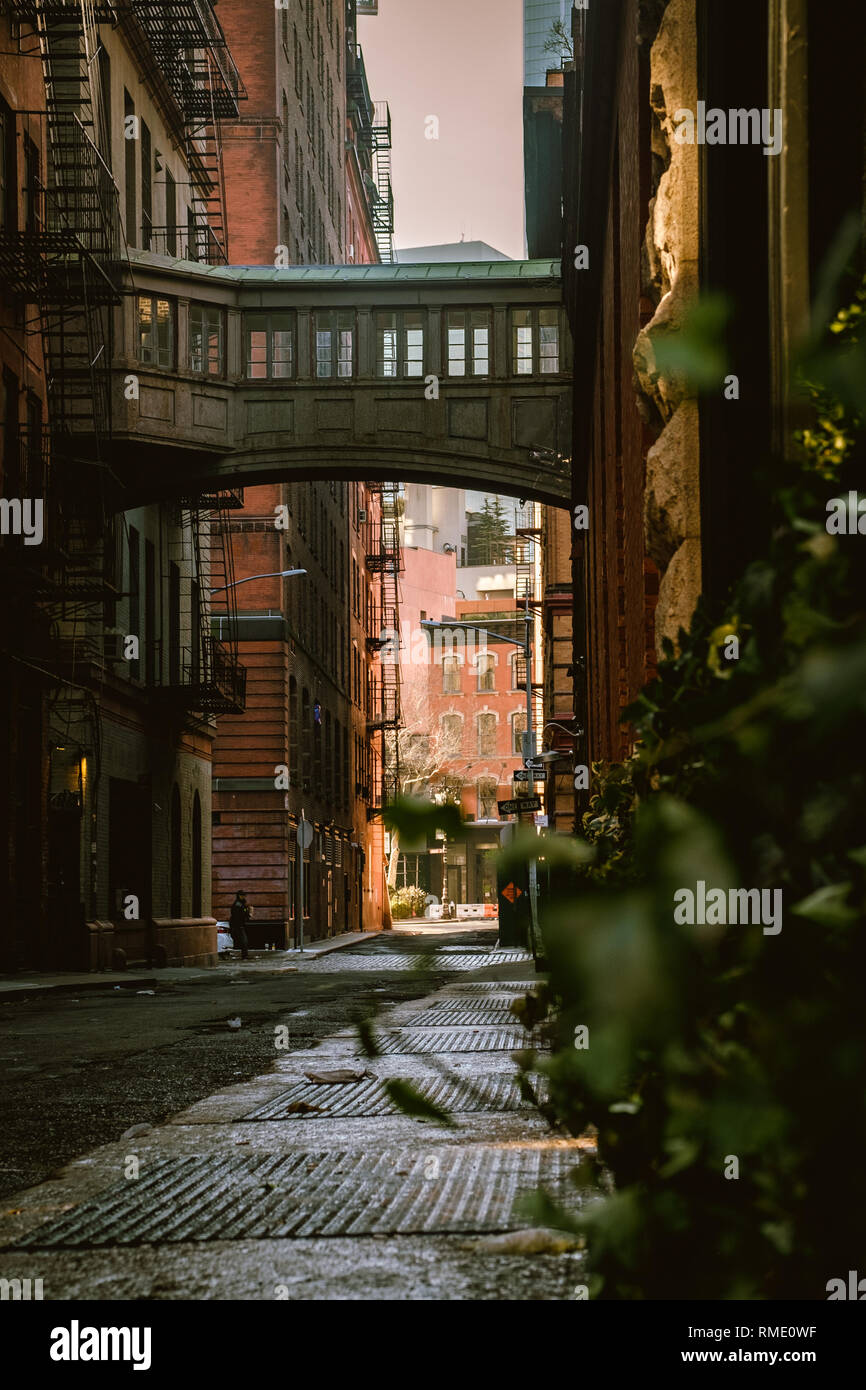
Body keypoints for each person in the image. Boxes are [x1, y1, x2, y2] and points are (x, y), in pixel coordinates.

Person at [229, 889, 252, 960]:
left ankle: (245, 955)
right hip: (238, 925)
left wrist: (247, 912)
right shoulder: (238, 904)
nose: (244, 897)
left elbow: (243, 913)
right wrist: (248, 913)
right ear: (239, 896)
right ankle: (244, 956)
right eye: (242, 896)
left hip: (240, 924)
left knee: (244, 940)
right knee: (244, 940)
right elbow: (238, 915)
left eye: (244, 896)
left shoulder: (241, 904)